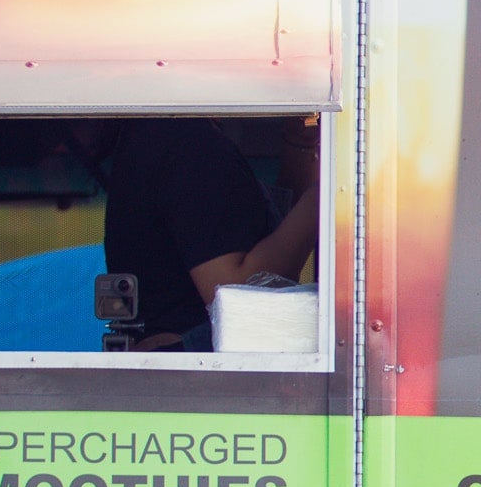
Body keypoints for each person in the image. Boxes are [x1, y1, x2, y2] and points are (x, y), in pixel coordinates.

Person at [102, 117, 320, 350]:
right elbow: (238, 299)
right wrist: (333, 190)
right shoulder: (189, 144)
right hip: (198, 374)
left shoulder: (161, 137)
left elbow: (271, 240)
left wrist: (301, 144)